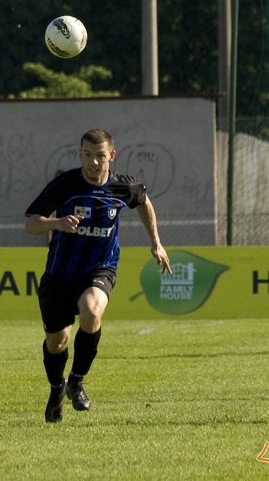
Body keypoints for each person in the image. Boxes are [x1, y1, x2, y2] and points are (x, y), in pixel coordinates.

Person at [25, 129, 172, 423]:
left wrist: (155, 241)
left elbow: (143, 201)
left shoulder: (121, 186)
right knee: (57, 342)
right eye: (88, 155)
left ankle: (77, 380)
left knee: (92, 311)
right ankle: (57, 389)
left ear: (111, 156)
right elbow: (31, 223)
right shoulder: (66, 185)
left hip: (100, 267)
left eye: (100, 156)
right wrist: (57, 223)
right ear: (80, 155)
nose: (94, 162)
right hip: (59, 275)